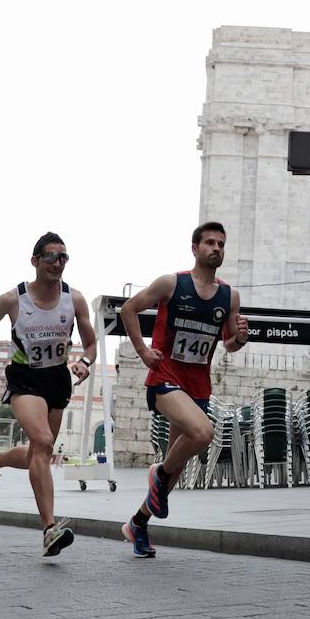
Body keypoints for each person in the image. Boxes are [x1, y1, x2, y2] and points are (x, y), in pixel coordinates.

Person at [118, 222, 248, 558]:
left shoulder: (229, 296)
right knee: (204, 433)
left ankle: (137, 523)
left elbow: (229, 343)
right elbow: (129, 309)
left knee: (174, 472)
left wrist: (240, 339)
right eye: (209, 242)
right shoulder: (171, 283)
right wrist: (144, 351)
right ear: (195, 248)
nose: (216, 248)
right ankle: (156, 474)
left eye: (221, 243)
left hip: (198, 385)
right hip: (165, 377)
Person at [0, 232, 97, 559]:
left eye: (64, 258)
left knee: (38, 454)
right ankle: (49, 528)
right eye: (52, 257)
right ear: (35, 261)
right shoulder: (13, 299)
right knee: (42, 442)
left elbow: (92, 344)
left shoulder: (75, 300)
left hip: (56, 378)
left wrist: (84, 362)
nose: (58, 263)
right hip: (24, 378)